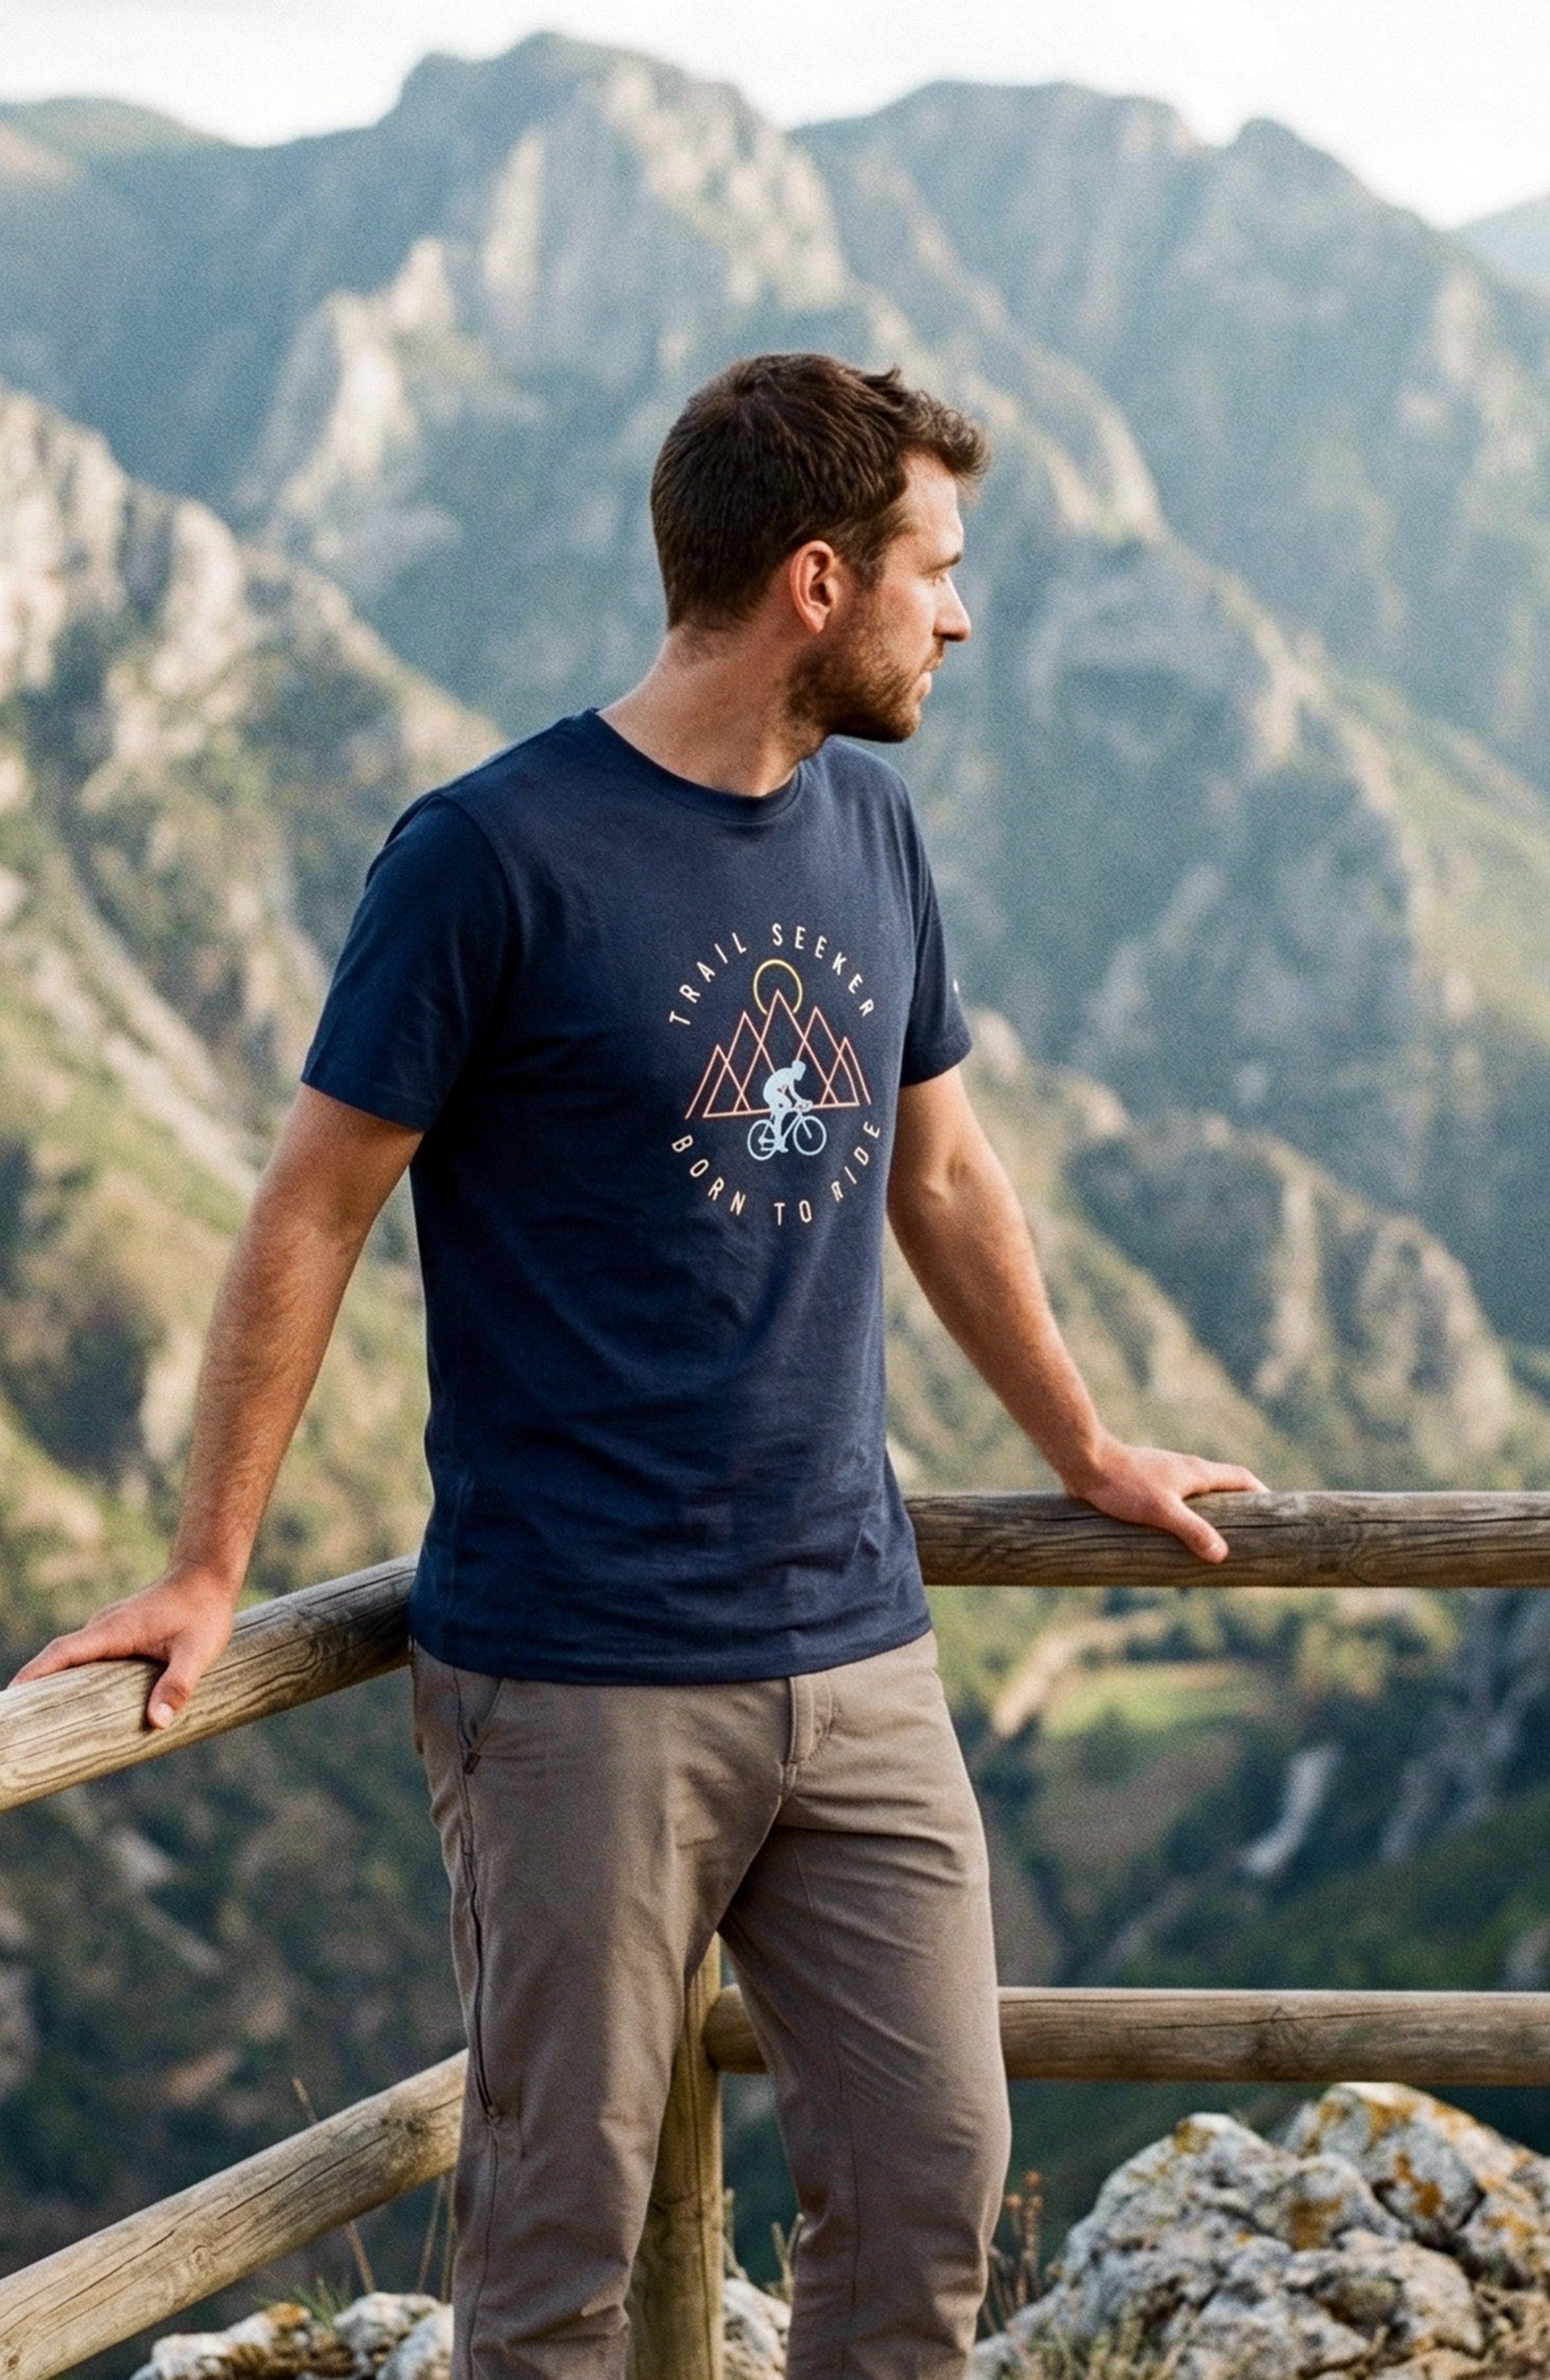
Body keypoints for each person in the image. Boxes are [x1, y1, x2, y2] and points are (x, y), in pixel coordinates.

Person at [15, 353, 1262, 2379]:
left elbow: (940, 1174)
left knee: (934, 2188)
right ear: (813, 582)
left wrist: (1088, 1441)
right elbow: (311, 1208)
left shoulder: (875, 828)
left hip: (858, 1657)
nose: (966, 610)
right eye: (938, 569)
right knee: (556, 2260)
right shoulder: (488, 855)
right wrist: (206, 1564)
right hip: (577, 1683)